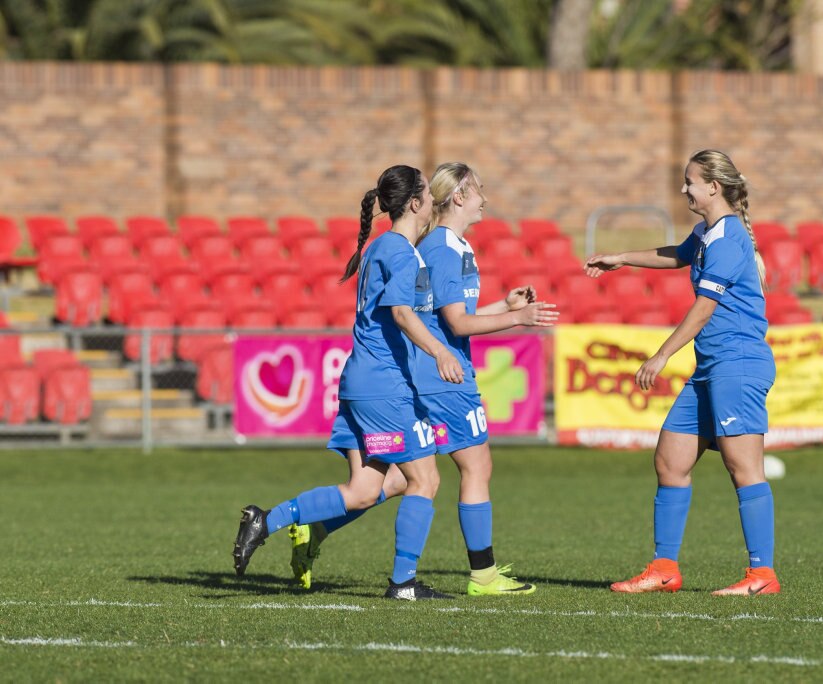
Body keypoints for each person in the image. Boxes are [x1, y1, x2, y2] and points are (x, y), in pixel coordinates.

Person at [288, 162, 559, 596]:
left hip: (431, 372)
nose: (485, 199)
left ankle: (316, 527)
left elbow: (446, 316)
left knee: (398, 479)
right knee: (473, 466)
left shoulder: (448, 246)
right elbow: (451, 324)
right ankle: (481, 576)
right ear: (457, 197)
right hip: (440, 376)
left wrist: (500, 308)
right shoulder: (440, 249)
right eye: (478, 191)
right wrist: (516, 317)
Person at [232, 164, 465, 601]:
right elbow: (400, 312)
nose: (434, 201)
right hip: (384, 387)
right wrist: (440, 351)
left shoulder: (381, 247)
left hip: (360, 382)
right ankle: (403, 584)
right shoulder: (399, 252)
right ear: (414, 203)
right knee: (425, 480)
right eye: (428, 197)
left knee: (363, 491)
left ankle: (267, 519)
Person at [584, 149, 780, 596]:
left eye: (689, 181)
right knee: (670, 461)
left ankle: (762, 575)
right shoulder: (707, 232)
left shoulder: (729, 239)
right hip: (712, 368)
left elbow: (704, 309)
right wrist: (622, 257)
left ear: (713, 186)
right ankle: (665, 569)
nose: (684, 188)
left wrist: (660, 355)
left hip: (738, 365)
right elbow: (678, 255)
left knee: (743, 467)